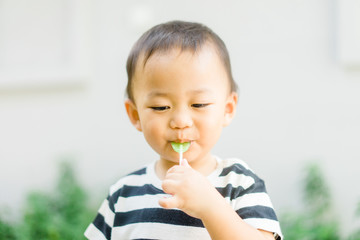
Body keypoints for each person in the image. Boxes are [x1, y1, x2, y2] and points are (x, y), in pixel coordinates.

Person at [84, 20, 283, 240]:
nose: (180, 121)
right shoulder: (123, 194)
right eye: (161, 107)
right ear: (135, 114)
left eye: (198, 104)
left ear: (227, 109)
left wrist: (210, 206)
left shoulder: (239, 184)